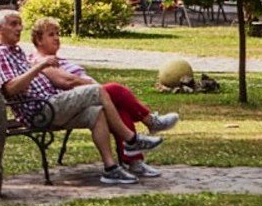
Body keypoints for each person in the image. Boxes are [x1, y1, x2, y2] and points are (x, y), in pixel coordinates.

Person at [0, 10, 164, 184]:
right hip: (41, 109)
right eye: (13, 24)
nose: (19, 28)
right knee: (98, 90)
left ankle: (111, 169)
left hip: (52, 103)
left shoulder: (15, 51)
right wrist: (40, 67)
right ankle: (132, 140)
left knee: (97, 112)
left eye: (20, 24)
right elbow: (10, 89)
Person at [28, 16, 178, 177]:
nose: (57, 38)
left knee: (120, 109)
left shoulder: (56, 59)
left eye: (58, 33)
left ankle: (135, 162)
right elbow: (65, 81)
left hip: (86, 97)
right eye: (51, 34)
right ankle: (150, 121)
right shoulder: (40, 60)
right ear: (38, 39)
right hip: (71, 103)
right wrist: (92, 85)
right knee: (115, 89)